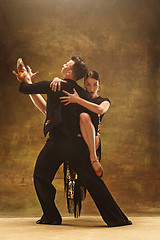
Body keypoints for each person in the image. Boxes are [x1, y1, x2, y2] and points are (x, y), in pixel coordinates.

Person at [14, 56, 132, 227]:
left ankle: (51, 216)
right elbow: (47, 110)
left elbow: (25, 89)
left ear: (69, 72)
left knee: (40, 176)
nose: (63, 64)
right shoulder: (82, 94)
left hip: (57, 143)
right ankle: (117, 219)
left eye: (66, 64)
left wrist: (26, 78)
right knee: (92, 181)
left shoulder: (55, 85)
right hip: (76, 146)